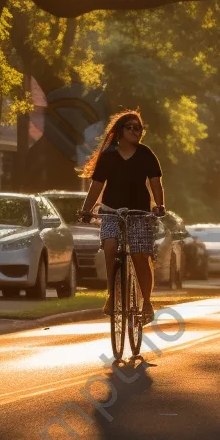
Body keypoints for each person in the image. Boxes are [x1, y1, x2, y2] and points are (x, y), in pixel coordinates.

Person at [79, 110, 165, 323]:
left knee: (139, 255)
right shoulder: (108, 155)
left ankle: (146, 302)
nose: (136, 131)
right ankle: (112, 294)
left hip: (139, 213)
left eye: (139, 128)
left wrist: (160, 205)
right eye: (131, 127)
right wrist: (86, 210)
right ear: (120, 131)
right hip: (111, 211)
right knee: (109, 246)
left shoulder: (146, 154)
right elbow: (97, 185)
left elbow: (155, 182)